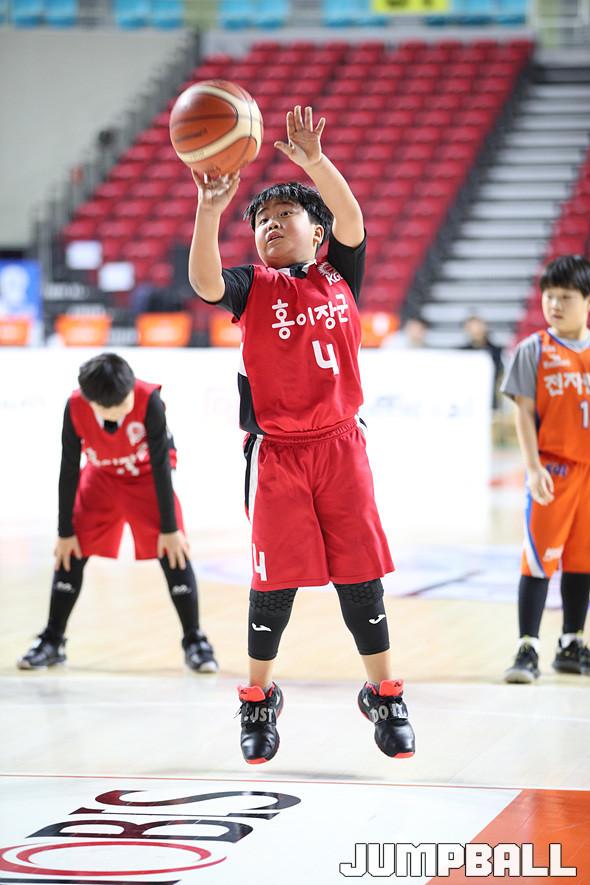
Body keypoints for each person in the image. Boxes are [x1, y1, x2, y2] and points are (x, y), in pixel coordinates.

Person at [188, 105, 415, 763]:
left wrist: (314, 162)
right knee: (273, 578)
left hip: (342, 445)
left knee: (360, 574)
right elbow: (204, 281)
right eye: (261, 221)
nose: (269, 226)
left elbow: (353, 218)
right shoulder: (251, 286)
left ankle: (384, 693)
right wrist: (210, 210)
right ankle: (259, 697)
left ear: (316, 233)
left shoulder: (340, 272)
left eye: (283, 215)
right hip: (278, 455)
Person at [17, 353, 217, 674]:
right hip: (101, 477)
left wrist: (169, 528)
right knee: (70, 551)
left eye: (124, 403)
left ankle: (195, 640)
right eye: (111, 409)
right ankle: (52, 640)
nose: (122, 411)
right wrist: (64, 531)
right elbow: (69, 468)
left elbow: (162, 464)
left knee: (174, 550)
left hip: (146, 477)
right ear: (91, 402)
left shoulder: (149, 399)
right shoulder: (75, 406)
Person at [501, 255, 590, 683]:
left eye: (565, 297)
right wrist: (533, 468)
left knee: (582, 559)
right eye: (549, 296)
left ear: (586, 301)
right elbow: (522, 413)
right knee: (539, 559)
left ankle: (571, 642)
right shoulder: (533, 349)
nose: (554, 305)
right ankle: (527, 647)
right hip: (553, 470)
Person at [462, 314, 503, 408]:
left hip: (491, 397)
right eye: (472, 327)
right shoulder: (463, 353)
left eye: (478, 326)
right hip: (469, 399)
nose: (476, 330)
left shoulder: (497, 352)